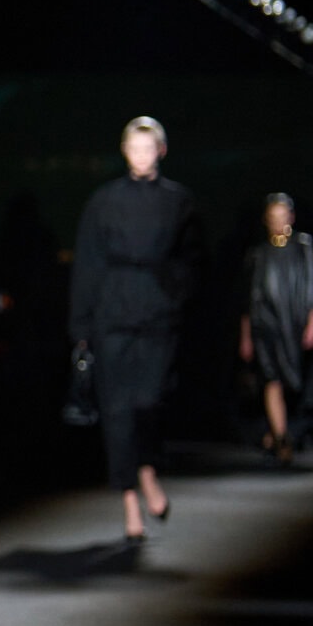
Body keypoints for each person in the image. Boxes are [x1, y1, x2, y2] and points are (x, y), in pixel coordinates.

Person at [68, 116, 203, 542]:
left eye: (149, 148)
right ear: (125, 152)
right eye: (134, 148)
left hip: (158, 313)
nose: (142, 156)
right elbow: (88, 263)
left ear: (161, 151)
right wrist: (81, 324)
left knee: (150, 401)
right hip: (113, 313)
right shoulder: (103, 201)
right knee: (117, 410)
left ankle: (146, 469)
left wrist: (175, 294)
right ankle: (130, 500)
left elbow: (193, 258)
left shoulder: (178, 201)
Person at [239, 193, 313, 463]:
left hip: (293, 324)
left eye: (283, 216)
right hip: (266, 326)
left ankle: (278, 433)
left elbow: (311, 287)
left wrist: (312, 320)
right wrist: (246, 334)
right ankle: (281, 436)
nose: (278, 222)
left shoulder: (302, 248)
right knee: (271, 378)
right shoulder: (259, 254)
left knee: (291, 379)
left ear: (291, 217)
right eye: (273, 217)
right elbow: (250, 297)